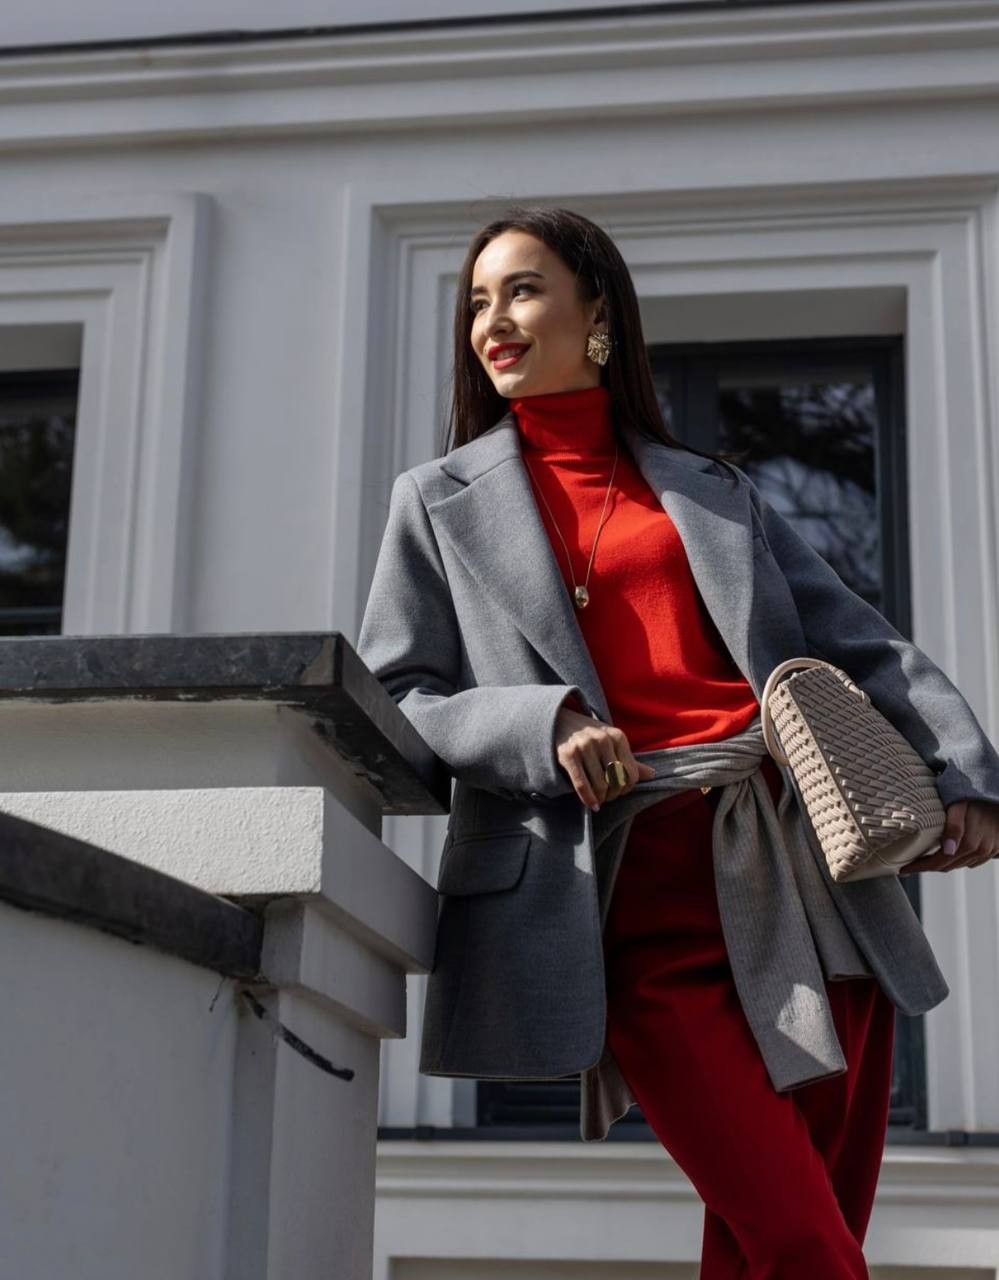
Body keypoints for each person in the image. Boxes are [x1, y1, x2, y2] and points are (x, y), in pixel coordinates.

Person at [356, 204, 999, 1278]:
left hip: (803, 881)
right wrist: (541, 722)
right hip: (619, 900)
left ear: (597, 313)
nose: (492, 321)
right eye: (477, 302)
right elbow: (400, 693)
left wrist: (965, 769)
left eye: (522, 290)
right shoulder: (435, 501)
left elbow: (862, 641)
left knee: (782, 1237)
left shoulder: (713, 488)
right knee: (799, 1240)